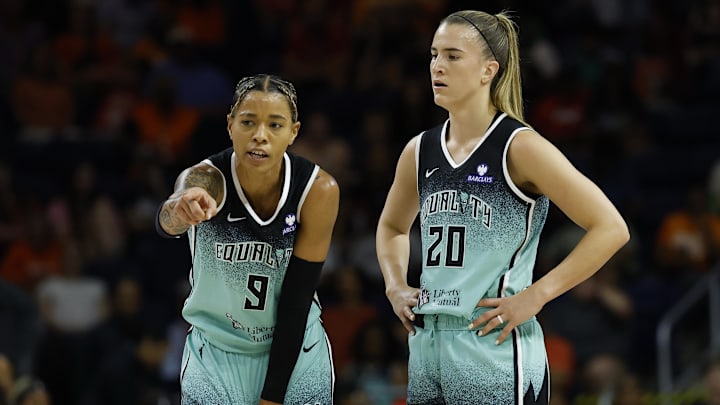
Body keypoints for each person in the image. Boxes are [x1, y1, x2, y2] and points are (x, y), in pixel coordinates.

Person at [375, 10, 630, 405]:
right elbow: (392, 226)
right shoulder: (419, 150)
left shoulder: (520, 146)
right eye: (433, 55)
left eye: (453, 56)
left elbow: (611, 227)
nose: (437, 66)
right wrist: (395, 286)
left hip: (493, 345)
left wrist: (538, 295)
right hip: (428, 346)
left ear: (488, 70)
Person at [156, 74, 339, 404]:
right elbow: (169, 218)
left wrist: (271, 397)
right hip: (216, 352)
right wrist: (179, 210)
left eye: (275, 125)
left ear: (294, 132)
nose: (260, 136)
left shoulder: (317, 190)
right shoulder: (205, 178)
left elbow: (296, 302)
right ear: (230, 125)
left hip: (295, 351)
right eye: (248, 122)